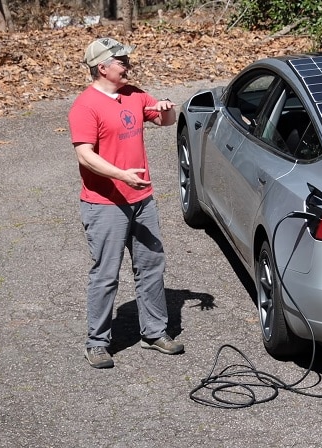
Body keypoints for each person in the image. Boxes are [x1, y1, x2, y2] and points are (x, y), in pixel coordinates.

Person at [68, 37, 183, 369]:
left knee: (151, 267)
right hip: (105, 204)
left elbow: (165, 121)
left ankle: (155, 333)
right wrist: (121, 175)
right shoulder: (85, 106)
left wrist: (166, 108)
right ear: (102, 67)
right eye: (120, 61)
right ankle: (97, 342)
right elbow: (85, 156)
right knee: (106, 275)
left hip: (142, 200)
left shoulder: (134, 94)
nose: (127, 64)